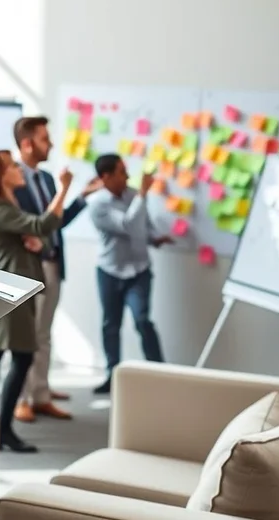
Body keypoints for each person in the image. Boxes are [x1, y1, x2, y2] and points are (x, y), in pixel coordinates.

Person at [0, 149, 72, 453]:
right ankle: (0, 429)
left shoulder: (5, 207)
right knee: (21, 355)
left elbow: (36, 235)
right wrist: (64, 188)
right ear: (1, 175)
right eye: (13, 166)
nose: (18, 169)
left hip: (12, 285)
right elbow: (43, 225)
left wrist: (35, 242)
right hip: (11, 287)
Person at [11, 116, 102, 423]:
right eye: (44, 139)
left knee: (43, 334)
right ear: (27, 144)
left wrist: (82, 196)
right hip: (28, 266)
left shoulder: (48, 179)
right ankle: (22, 398)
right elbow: (16, 222)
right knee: (26, 337)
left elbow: (55, 222)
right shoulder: (12, 178)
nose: (50, 144)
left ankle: (40, 393)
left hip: (52, 262)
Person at [87, 154, 172, 395]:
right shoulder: (97, 204)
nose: (127, 176)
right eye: (122, 172)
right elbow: (127, 225)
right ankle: (112, 375)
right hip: (110, 271)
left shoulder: (133, 194)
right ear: (106, 177)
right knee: (111, 325)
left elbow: (143, 226)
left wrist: (155, 238)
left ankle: (160, 374)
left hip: (139, 270)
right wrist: (143, 194)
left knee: (143, 320)